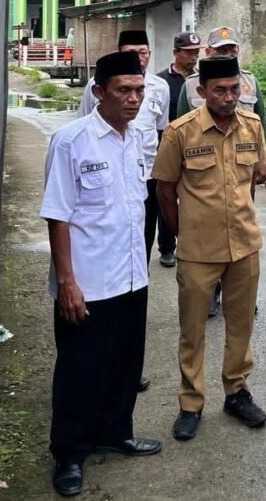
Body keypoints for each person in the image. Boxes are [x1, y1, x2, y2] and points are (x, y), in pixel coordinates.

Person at [40, 51, 162, 497]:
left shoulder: (136, 139)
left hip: (131, 276)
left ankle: (115, 431)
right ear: (98, 93)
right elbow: (58, 216)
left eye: (138, 91)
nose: (133, 99)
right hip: (88, 283)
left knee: (125, 364)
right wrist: (67, 283)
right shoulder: (72, 141)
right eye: (123, 91)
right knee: (79, 371)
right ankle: (69, 453)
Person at [153, 56, 266, 442]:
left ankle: (236, 392)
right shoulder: (179, 133)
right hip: (198, 251)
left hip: (245, 246)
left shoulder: (252, 126)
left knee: (241, 324)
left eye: (235, 89)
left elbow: (254, 178)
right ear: (201, 92)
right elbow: (164, 190)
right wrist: (183, 231)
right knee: (193, 329)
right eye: (219, 90)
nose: (229, 96)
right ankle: (191, 402)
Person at [76, 29, 169, 393]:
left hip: (141, 184)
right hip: (102, 193)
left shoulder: (153, 98)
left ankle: (125, 379)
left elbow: (160, 137)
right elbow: (85, 133)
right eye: (132, 51)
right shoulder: (79, 129)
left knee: (135, 269)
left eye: (144, 51)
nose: (134, 99)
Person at [176, 26, 266, 316]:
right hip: (203, 173)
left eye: (232, 49)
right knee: (209, 236)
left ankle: (239, 292)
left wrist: (263, 160)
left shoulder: (250, 82)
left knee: (240, 232)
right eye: (221, 49)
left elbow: (259, 121)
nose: (228, 53)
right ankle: (212, 291)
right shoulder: (192, 86)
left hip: (240, 170)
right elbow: (179, 126)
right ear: (209, 52)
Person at [155, 31, 203, 269]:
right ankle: (166, 247)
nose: (193, 58)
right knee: (167, 196)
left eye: (196, 53)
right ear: (176, 53)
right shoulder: (161, 81)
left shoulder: (200, 81)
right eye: (188, 53)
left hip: (197, 149)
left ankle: (193, 242)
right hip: (169, 147)